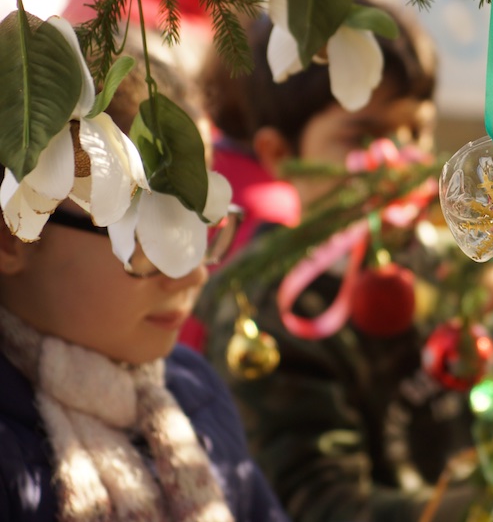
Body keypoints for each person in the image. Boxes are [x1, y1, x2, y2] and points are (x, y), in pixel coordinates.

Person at [196, 2, 486, 522]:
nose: (397, 163)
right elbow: (323, 506)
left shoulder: (449, 267)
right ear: (280, 155)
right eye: (363, 138)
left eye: (416, 132)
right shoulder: (267, 316)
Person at [0, 49, 290, 522]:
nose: (193, 273)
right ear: (15, 234)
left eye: (199, 227)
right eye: (144, 232)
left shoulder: (195, 393)